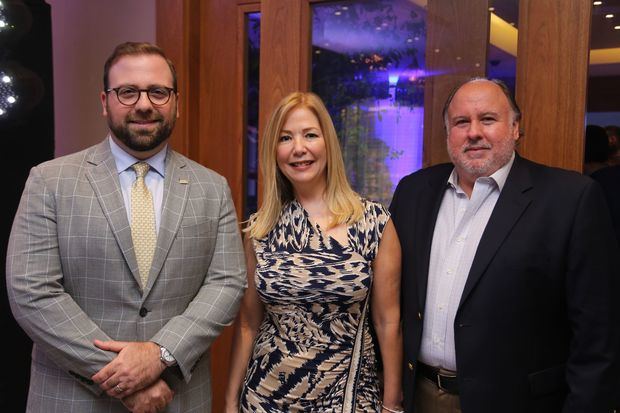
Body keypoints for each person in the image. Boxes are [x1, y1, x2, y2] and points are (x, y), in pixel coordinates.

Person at [6, 42, 246, 413]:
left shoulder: (212, 187)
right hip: (73, 399)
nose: (144, 104)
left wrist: (160, 354)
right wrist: (123, 376)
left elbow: (227, 283)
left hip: (177, 397)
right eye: (128, 92)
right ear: (105, 102)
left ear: (176, 103)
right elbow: (32, 291)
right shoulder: (50, 181)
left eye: (158, 92)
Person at [389, 78, 619, 413]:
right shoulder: (413, 192)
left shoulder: (570, 199)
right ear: (447, 133)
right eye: (461, 122)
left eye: (488, 119)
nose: (474, 132)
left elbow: (598, 338)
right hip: (419, 397)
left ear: (514, 128)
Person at [224, 92, 403, 412]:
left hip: (347, 401)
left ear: (328, 144)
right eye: (285, 138)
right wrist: (229, 400)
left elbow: (388, 322)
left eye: (310, 135)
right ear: (274, 151)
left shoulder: (374, 222)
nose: (299, 148)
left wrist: (391, 404)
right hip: (265, 399)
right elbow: (249, 323)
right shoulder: (260, 229)